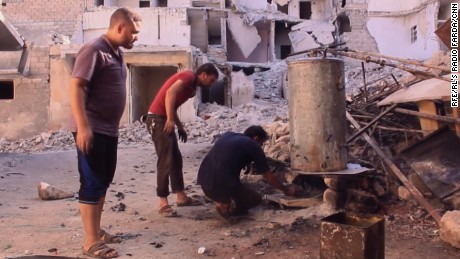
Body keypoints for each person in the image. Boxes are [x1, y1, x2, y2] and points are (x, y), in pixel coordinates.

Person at [69, 7, 142, 259]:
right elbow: (76, 86)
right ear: (120, 27)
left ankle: (96, 231)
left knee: (102, 181)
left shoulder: (116, 53)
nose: (136, 37)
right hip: (92, 129)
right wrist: (83, 127)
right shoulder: (93, 49)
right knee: (91, 182)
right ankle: (90, 242)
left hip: (108, 131)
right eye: (133, 33)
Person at [145, 63, 218, 217]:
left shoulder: (192, 87)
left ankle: (181, 196)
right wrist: (169, 120)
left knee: (176, 159)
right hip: (157, 120)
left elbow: (172, 105)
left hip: (164, 119)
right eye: (211, 80)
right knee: (165, 160)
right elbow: (170, 93)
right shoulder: (188, 76)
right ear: (204, 74)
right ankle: (163, 202)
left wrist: (179, 126)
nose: (211, 85)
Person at [197, 125, 296, 222]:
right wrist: (286, 189)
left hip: (204, 181)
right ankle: (224, 205)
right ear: (256, 138)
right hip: (219, 185)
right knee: (255, 199)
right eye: (261, 143)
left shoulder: (228, 135)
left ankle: (224, 200)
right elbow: (269, 177)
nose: (261, 146)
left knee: (234, 183)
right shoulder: (254, 146)